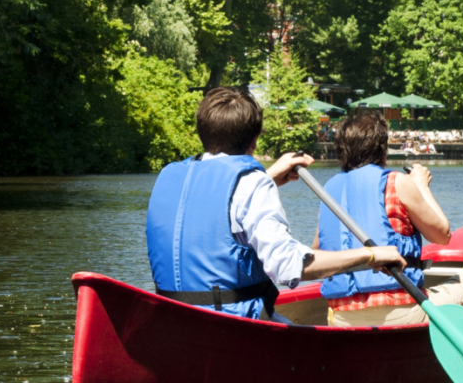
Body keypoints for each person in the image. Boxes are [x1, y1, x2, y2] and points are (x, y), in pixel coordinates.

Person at [147, 87, 407, 321]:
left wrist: (268, 177)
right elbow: (289, 267)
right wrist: (371, 254)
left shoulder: (169, 176)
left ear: (202, 132)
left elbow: (212, 208)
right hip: (231, 328)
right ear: (254, 140)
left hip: (172, 322)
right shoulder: (251, 183)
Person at [316, 111, 463, 327]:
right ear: (382, 152)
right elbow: (442, 235)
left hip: (342, 317)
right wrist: (421, 186)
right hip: (401, 312)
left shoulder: (328, 191)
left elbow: (318, 251)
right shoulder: (397, 182)